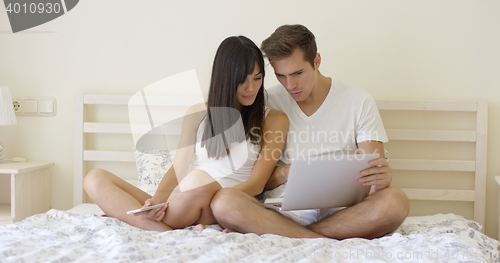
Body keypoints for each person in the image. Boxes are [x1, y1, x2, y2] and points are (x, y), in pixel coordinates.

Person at [210, 25, 410, 239]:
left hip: (343, 214)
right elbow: (255, 180)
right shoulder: (265, 102)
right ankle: (317, 239)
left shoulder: (359, 101)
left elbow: (373, 172)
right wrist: (286, 172)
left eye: (298, 73)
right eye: (281, 75)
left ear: (316, 61)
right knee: (225, 202)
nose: (290, 85)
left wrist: (381, 176)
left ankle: (297, 237)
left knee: (395, 201)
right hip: (280, 212)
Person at [83, 36, 288, 231]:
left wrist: (215, 196)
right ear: (225, 79)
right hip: (181, 200)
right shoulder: (197, 113)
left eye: (257, 78)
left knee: (198, 179)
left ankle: (143, 224)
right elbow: (178, 169)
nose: (251, 88)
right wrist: (156, 201)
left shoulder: (273, 119)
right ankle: (159, 227)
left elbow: (257, 184)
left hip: (217, 204)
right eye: (242, 80)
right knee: (94, 178)